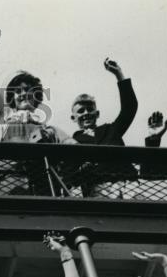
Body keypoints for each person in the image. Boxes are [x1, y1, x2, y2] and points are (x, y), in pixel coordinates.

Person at [0, 29, 71, 195]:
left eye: (26, 89)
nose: (22, 93)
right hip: (11, 188)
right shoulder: (7, 116)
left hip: (43, 189)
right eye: (17, 91)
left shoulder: (49, 129)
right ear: (12, 97)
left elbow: (74, 147)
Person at [60, 58, 139, 198]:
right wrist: (82, 171)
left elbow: (129, 108)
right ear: (73, 118)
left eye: (89, 109)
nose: (86, 113)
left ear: (97, 114)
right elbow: (68, 176)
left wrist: (118, 74)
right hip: (97, 189)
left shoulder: (111, 130)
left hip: (127, 186)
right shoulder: (71, 142)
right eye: (80, 111)